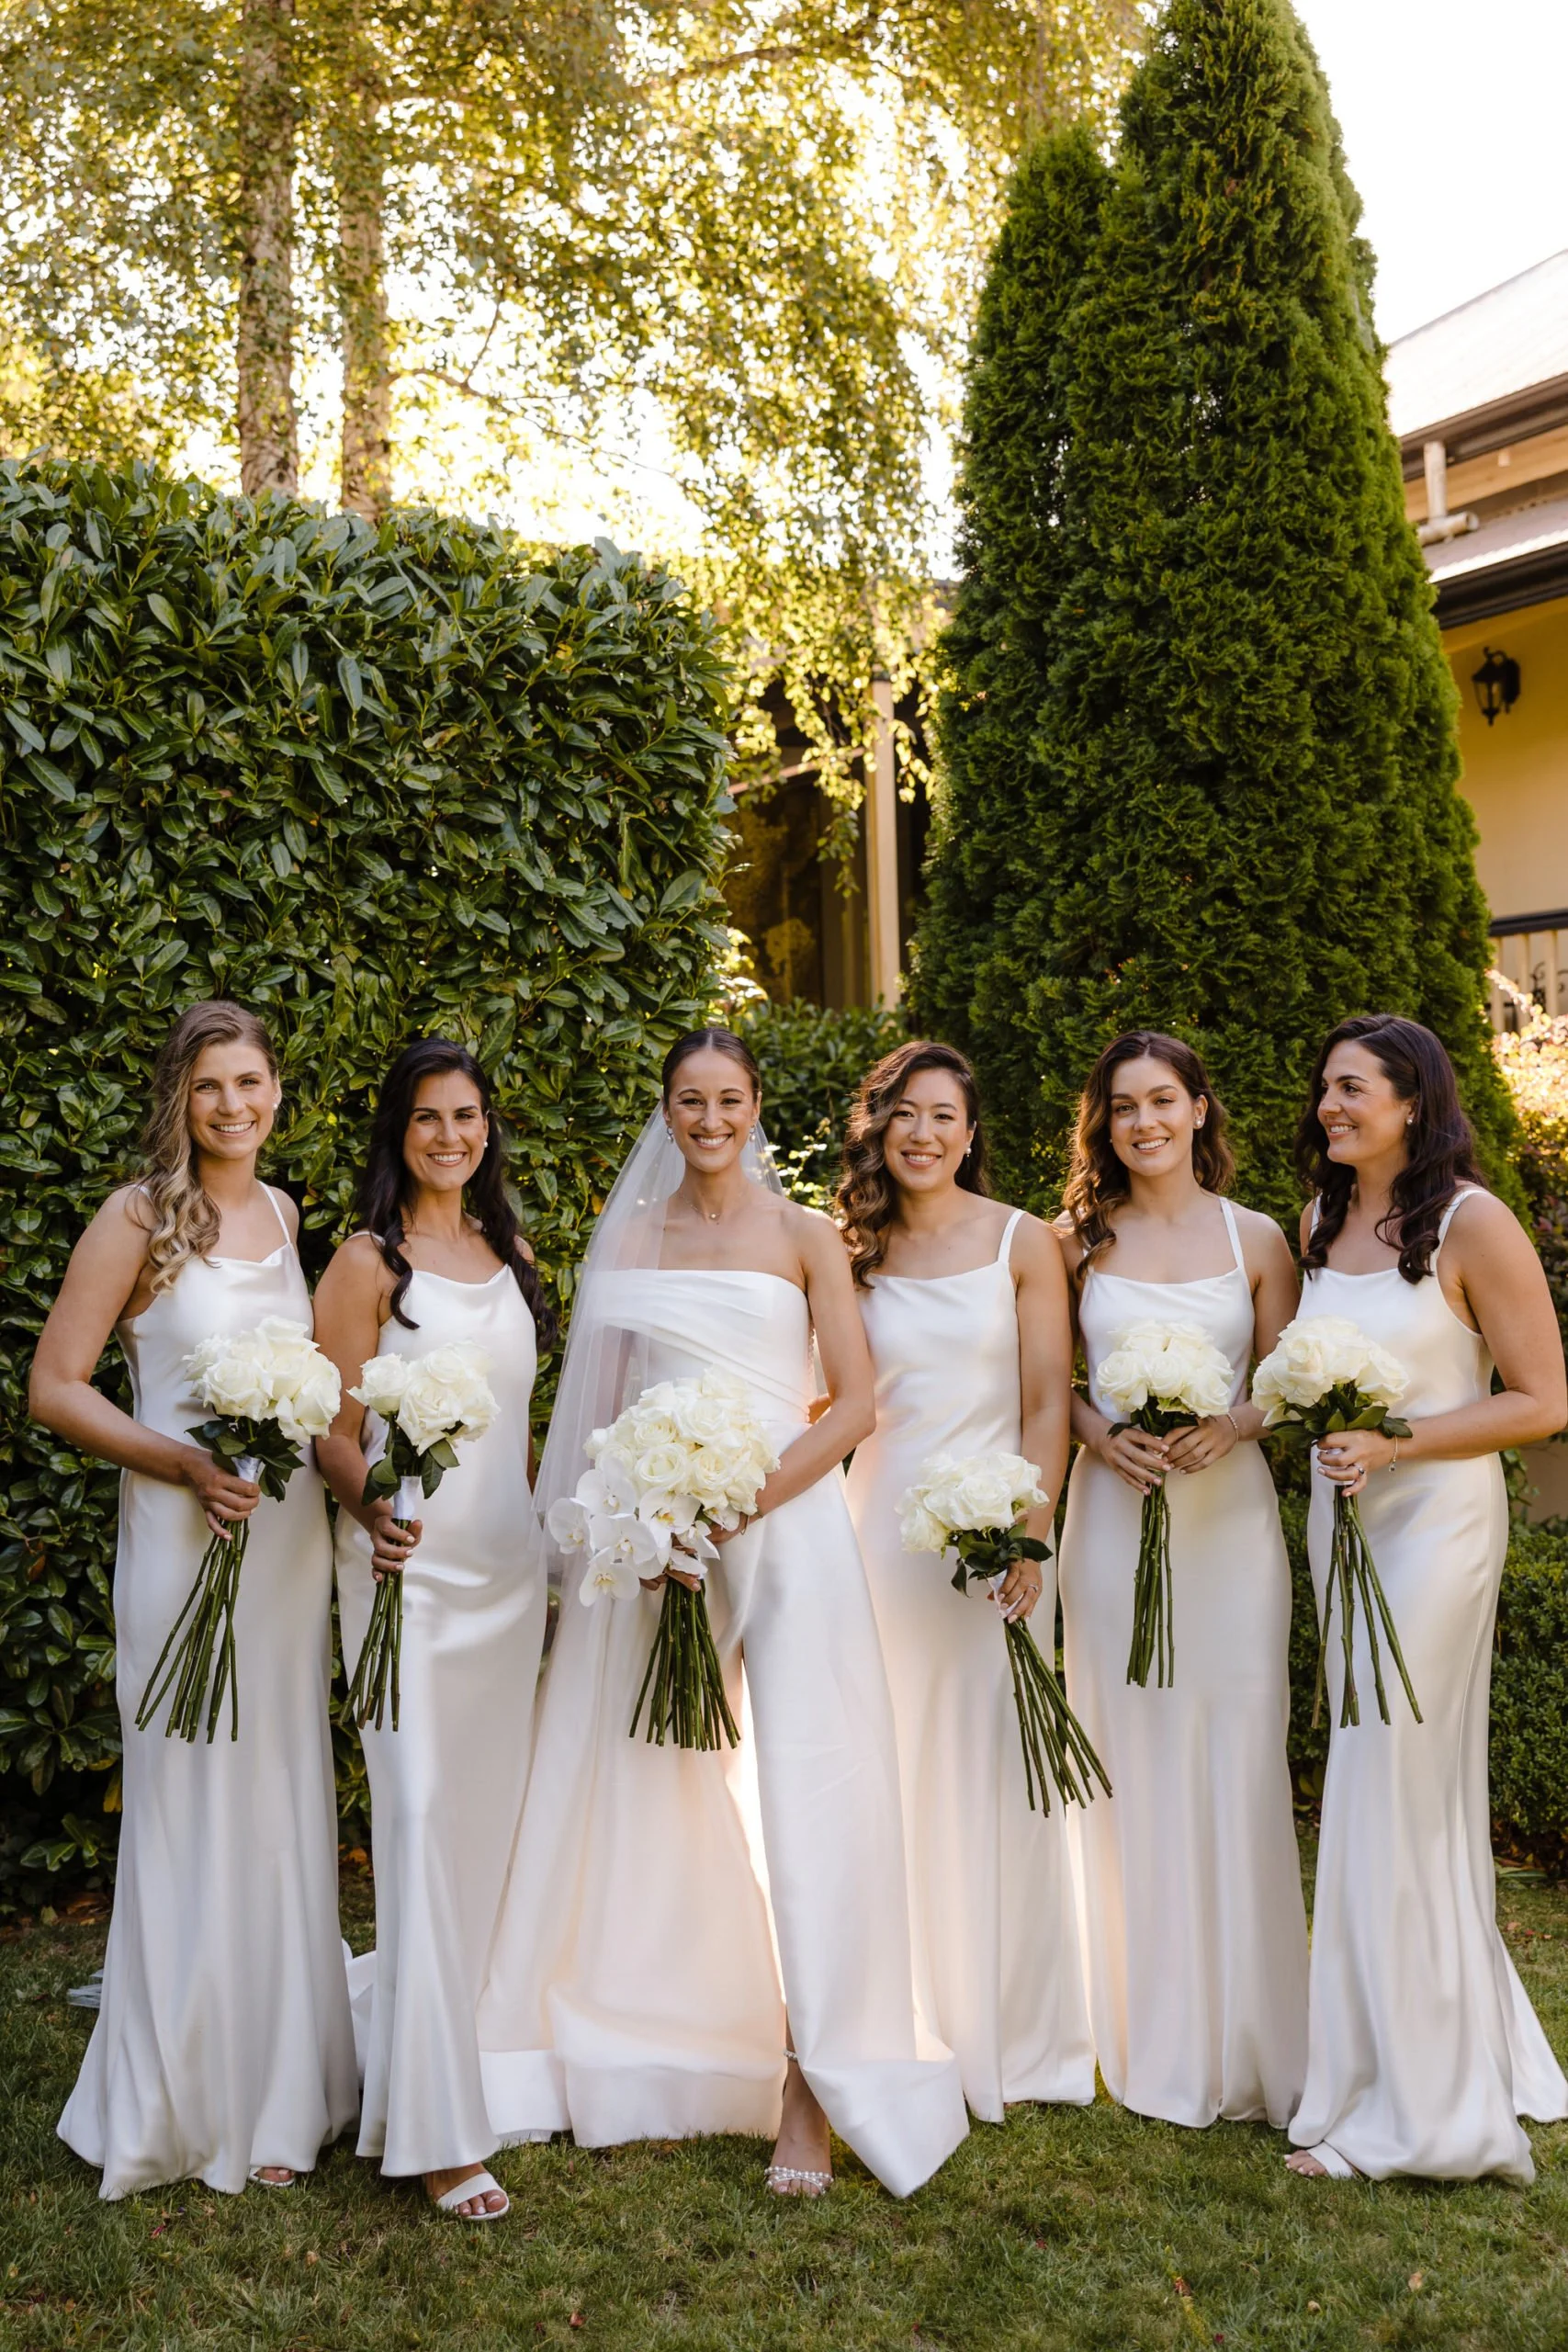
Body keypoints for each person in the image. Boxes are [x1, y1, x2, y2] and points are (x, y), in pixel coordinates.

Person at [478, 1027, 968, 2198]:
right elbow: (593, 1404)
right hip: (658, 1546)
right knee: (637, 1773)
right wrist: (636, 1519)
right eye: (689, 1101)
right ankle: (653, 2021)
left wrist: (745, 1499)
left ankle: (815, 2078)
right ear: (666, 1110)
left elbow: (853, 1405)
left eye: (729, 1099)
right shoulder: (631, 1237)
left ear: (756, 1107)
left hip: (785, 1530)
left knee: (812, 1783)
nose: (708, 1119)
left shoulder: (802, 1236)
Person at [31, 1000, 356, 2198]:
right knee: (183, 1787)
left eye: (252, 1083)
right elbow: (55, 1387)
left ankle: (283, 2091)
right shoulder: (135, 1219)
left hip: (279, 1555)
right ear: (182, 1096)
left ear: (277, 1091)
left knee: (277, 1790)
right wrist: (179, 1461)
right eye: (212, 1086)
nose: (234, 1105)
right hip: (178, 1544)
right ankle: (176, 2096)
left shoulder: (280, 1216)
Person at [1285, 1013, 1568, 2183]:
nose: (1330, 1106)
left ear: (1414, 1100)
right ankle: (1397, 2059)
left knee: (1395, 1776)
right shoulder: (1318, 1221)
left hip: (1434, 1527)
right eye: (1325, 1089)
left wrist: (1397, 1443)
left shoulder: (1473, 1221)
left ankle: (1428, 2117)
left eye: (1352, 1088)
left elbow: (1542, 1399)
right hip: (1338, 1522)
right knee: (1377, 1780)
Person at [314, 1039, 554, 2222]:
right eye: (427, 1119)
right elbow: (325, 1424)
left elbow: (515, 1428)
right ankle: (436, 2136)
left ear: (488, 1128)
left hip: (507, 1576)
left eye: (467, 1117)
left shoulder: (511, 1254)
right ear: (397, 1134)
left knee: (475, 1834)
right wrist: (368, 1502)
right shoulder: (367, 1263)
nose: (450, 1137)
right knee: (409, 1816)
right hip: (406, 1577)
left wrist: (547, 1556)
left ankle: (446, 2048)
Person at [1055, 1030, 1308, 2129]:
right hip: (1113, 1521)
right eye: (1123, 1107)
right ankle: (1128, 2017)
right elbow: (1039, 1385)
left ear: (1202, 1110)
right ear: (1102, 1124)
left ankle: (1246, 2029)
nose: (1143, 1122)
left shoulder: (1256, 1238)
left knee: (1233, 1746)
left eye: (1163, 1101)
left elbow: (1296, 1379)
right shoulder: (1073, 1242)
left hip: (1226, 1525)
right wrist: (1100, 1438)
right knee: (1126, 1745)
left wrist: (1237, 1421)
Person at [837, 1040, 1093, 2120]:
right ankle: (890, 2016)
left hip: (995, 1538)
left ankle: (1010, 2029)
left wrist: (1030, 1532)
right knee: (883, 1761)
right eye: (903, 1114)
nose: (923, 1133)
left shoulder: (1024, 1242)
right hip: (881, 1539)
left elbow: (1046, 1402)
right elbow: (830, 1400)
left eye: (943, 1115)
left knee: (991, 1761)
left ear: (972, 1131)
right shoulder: (851, 1250)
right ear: (877, 1129)